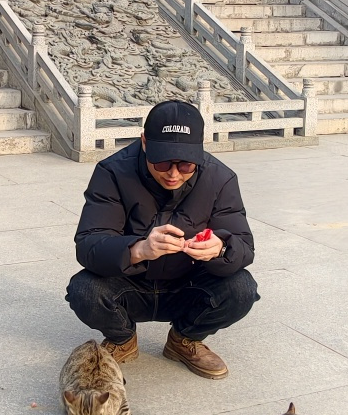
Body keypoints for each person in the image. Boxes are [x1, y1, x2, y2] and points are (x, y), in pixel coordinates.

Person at [65, 100, 258, 379]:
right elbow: (88, 243)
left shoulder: (220, 178)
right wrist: (138, 249)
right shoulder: (113, 172)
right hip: (130, 283)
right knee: (84, 290)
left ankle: (184, 339)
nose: (173, 174)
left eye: (186, 164)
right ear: (144, 142)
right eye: (163, 162)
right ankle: (122, 339)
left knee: (242, 288)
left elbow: (244, 245)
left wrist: (221, 247)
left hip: (188, 283)